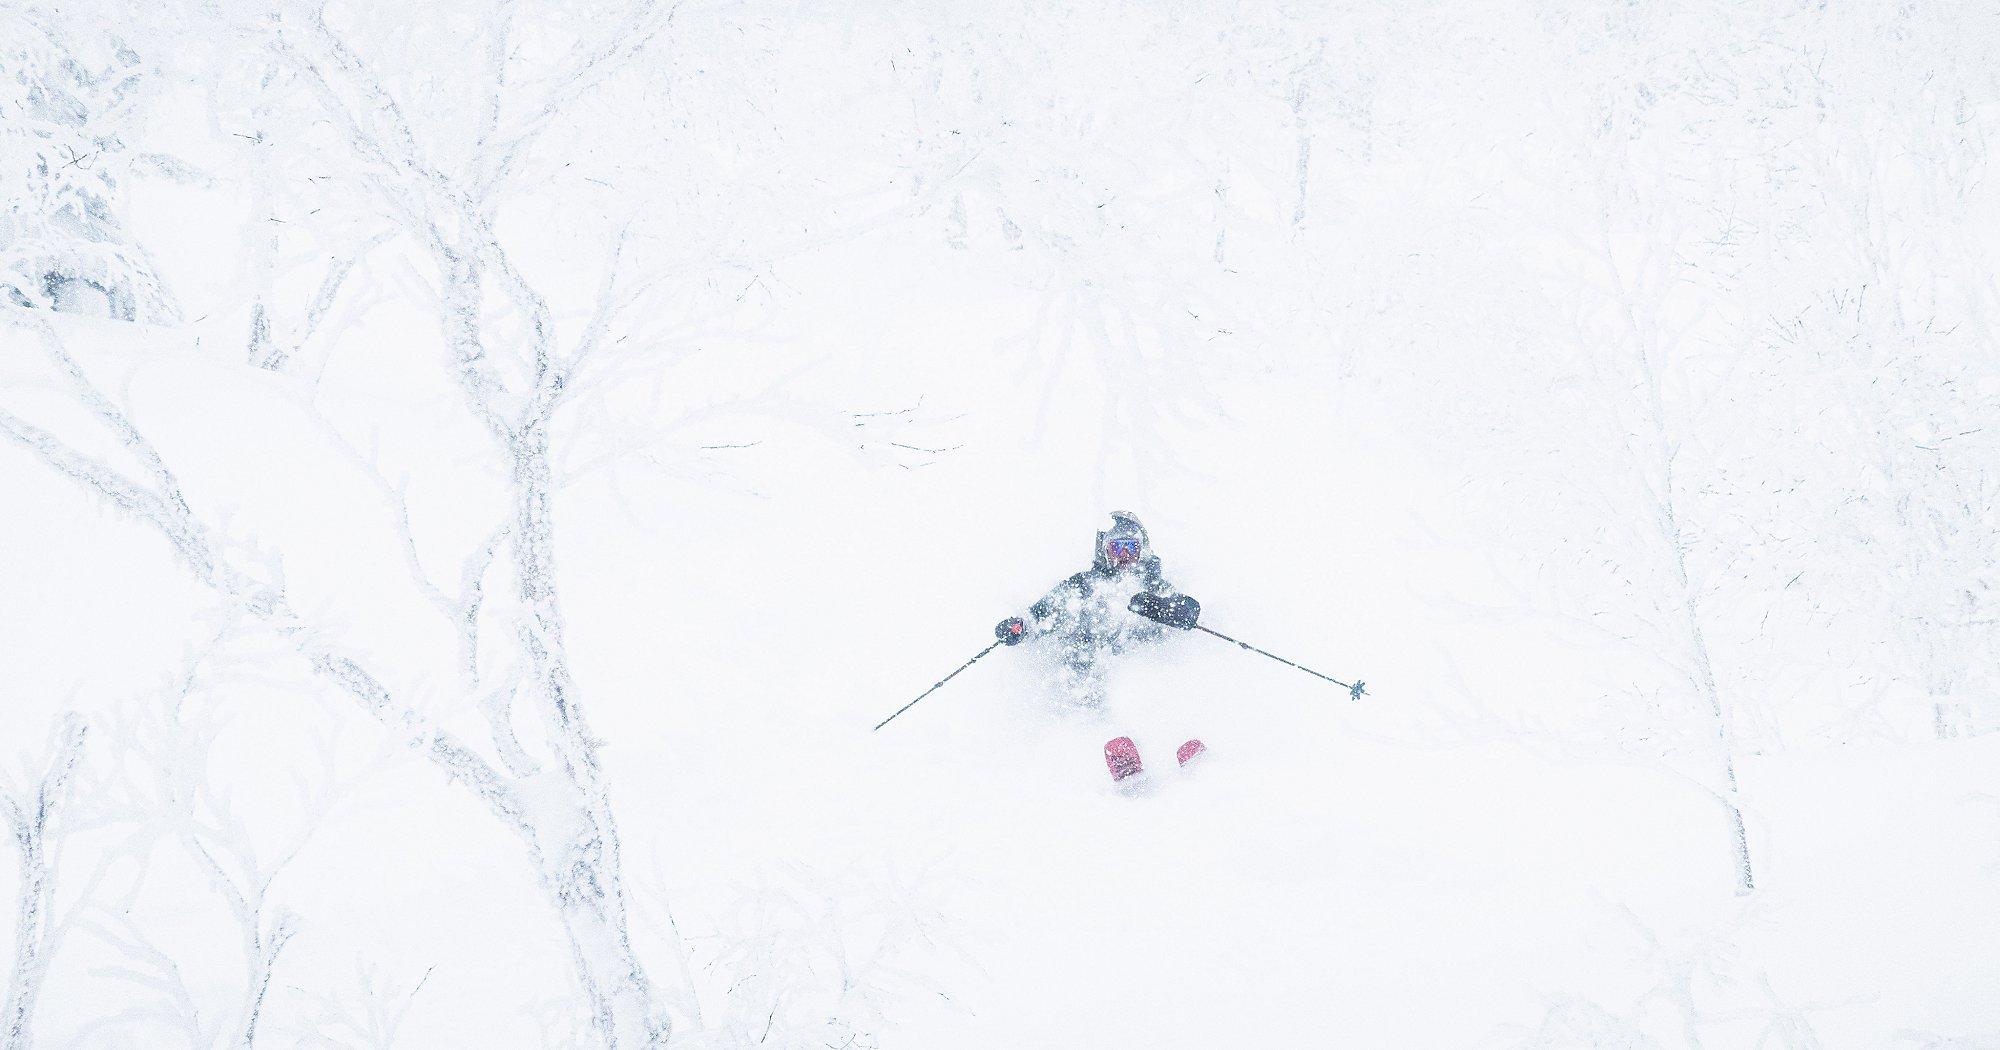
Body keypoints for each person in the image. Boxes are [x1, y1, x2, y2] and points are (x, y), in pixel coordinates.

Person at [994, 511, 1200, 708]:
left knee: (1156, 682)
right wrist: (1020, 627)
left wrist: (1181, 614)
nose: (1125, 554)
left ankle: (1169, 731)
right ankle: (1102, 732)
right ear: (1105, 551)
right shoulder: (1084, 585)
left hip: (1143, 682)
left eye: (1131, 547)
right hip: (1090, 678)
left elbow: (1186, 614)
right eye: (1117, 548)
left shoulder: (1155, 587)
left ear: (1142, 550)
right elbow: (1044, 613)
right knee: (1087, 677)